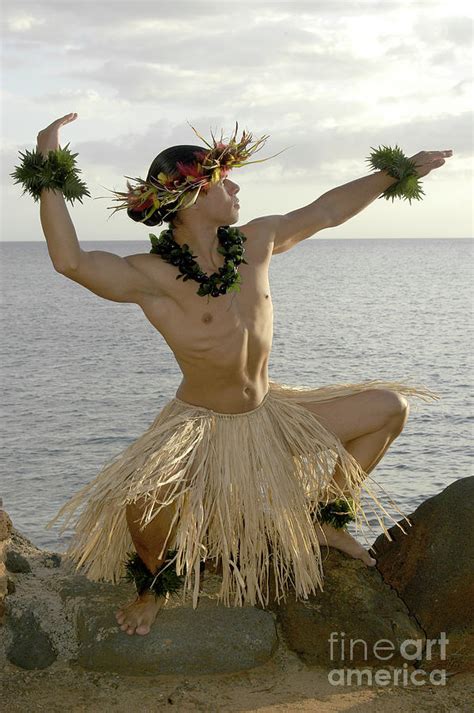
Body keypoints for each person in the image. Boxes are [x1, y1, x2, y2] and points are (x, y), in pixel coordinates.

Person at [27, 113, 451, 637]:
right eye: (223, 180)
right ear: (191, 196)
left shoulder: (257, 241)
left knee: (390, 407)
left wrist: (399, 171)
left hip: (271, 415)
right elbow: (69, 261)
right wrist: (46, 159)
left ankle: (324, 521)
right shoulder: (151, 276)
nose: (236, 186)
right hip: (197, 429)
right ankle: (154, 585)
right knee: (139, 502)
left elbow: (327, 211)